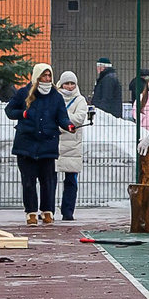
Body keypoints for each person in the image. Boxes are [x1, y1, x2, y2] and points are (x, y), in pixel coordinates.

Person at [3, 60, 72, 225]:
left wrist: (68, 124)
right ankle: (31, 211)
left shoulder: (56, 96)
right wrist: (23, 114)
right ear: (37, 77)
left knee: (47, 181)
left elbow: (61, 116)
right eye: (44, 76)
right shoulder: (23, 93)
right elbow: (9, 111)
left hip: (47, 144)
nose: (47, 79)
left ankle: (47, 211)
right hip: (26, 145)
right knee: (28, 181)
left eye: (49, 75)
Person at [53, 70, 92, 220]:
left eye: (72, 83)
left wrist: (60, 119)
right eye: (67, 83)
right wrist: (66, 120)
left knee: (71, 180)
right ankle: (48, 210)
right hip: (56, 143)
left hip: (73, 145)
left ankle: (68, 211)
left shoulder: (80, 99)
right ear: (61, 84)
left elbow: (79, 118)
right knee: (50, 179)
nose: (69, 86)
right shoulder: (55, 98)